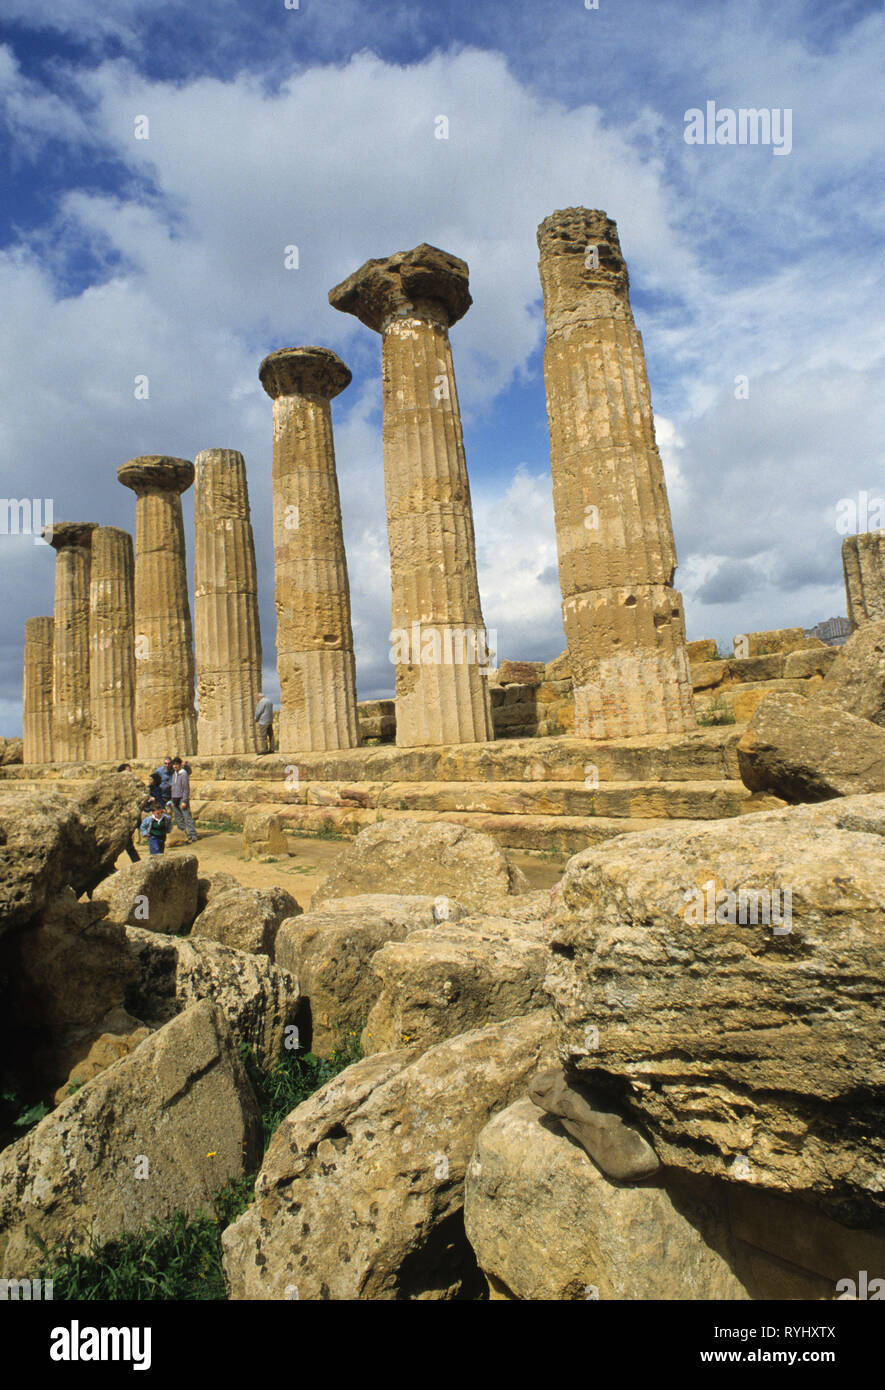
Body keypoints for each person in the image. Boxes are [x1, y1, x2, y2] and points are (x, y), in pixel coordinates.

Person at [169, 756, 198, 843]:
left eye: (176, 764)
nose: (175, 766)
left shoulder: (183, 774)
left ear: (180, 765)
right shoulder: (174, 774)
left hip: (181, 798)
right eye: (173, 764)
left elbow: (185, 788)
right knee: (179, 818)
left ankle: (192, 835)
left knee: (187, 817)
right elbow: (173, 787)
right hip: (175, 798)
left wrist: (184, 800)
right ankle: (182, 834)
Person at [116, 763, 141, 862]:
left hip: (128, 820)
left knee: (128, 845)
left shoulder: (133, 786)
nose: (130, 774)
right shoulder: (117, 786)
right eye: (128, 772)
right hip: (120, 820)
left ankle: (137, 863)